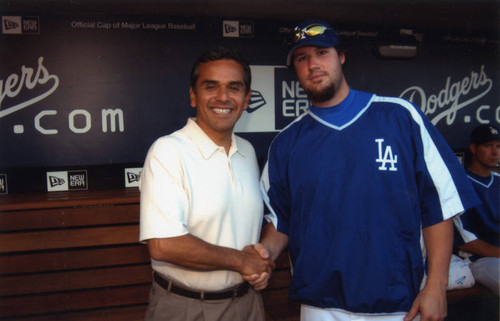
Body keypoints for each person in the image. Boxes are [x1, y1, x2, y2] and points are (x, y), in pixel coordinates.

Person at [251, 20, 479, 321]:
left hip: (397, 301)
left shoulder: (400, 117)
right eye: (302, 58)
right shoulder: (287, 143)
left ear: (341, 56)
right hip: (320, 304)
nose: (313, 64)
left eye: (322, 53)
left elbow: (438, 206)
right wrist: (263, 254)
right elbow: (282, 222)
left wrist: (436, 286)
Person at [139, 47, 273, 321]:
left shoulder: (247, 152)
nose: (223, 97)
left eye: (234, 88)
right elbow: (164, 244)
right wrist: (243, 261)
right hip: (186, 306)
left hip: (248, 303)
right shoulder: (168, 151)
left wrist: (260, 265)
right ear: (193, 95)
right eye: (211, 86)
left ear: (247, 99)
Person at [453, 124, 500, 295]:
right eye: (488, 146)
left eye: (499, 146)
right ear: (473, 148)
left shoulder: (498, 180)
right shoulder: (459, 184)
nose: (495, 152)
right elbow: (464, 240)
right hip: (477, 260)